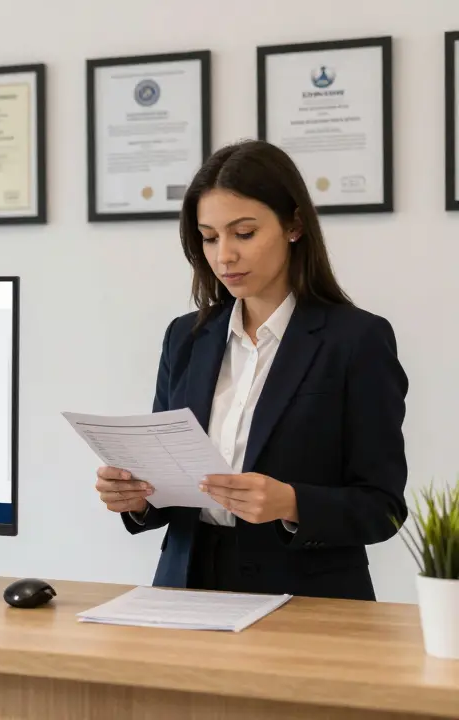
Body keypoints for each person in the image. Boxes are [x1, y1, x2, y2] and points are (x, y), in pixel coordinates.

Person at [94, 139, 407, 601]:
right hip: (185, 588)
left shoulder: (357, 340)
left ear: (294, 225)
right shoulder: (186, 338)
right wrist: (136, 498)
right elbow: (169, 485)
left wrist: (292, 503)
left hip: (305, 602)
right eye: (209, 237)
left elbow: (384, 508)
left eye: (243, 233)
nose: (224, 256)